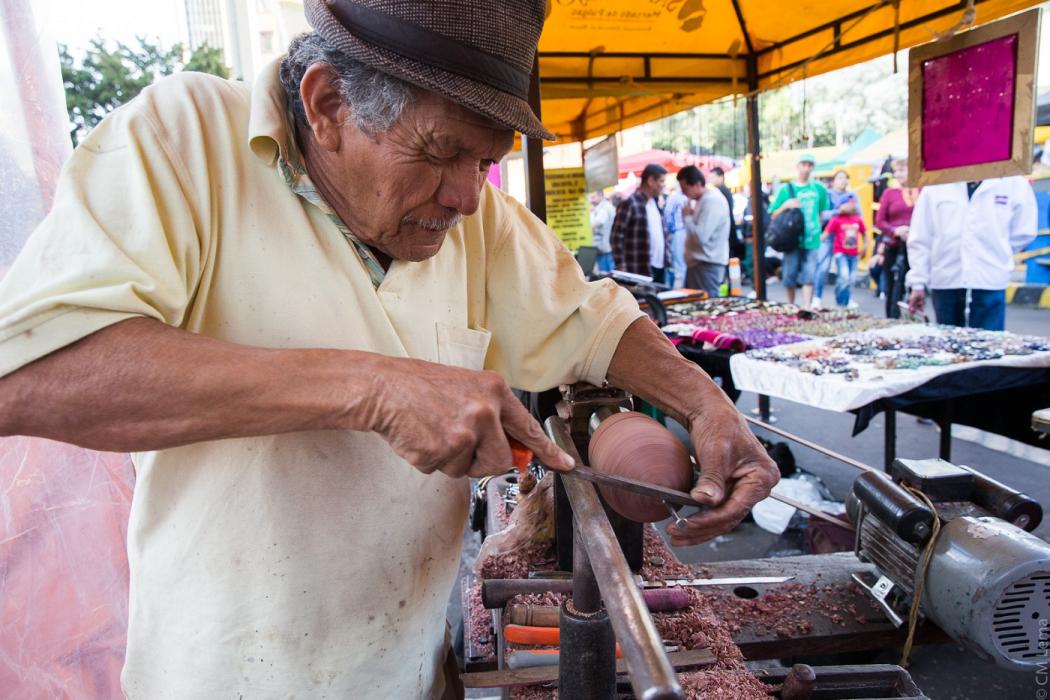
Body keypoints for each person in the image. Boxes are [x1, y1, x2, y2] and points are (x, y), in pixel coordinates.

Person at [0, 2, 777, 696]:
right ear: (329, 105)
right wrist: (373, 388)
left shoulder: (477, 221)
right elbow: (33, 371)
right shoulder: (184, 142)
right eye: (442, 153)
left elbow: (591, 319)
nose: (468, 196)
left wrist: (701, 402)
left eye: (485, 160)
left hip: (412, 670)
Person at [906, 177, 1037, 330]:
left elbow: (1024, 232)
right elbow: (920, 237)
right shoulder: (937, 183)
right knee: (948, 345)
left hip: (990, 278)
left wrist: (997, 251)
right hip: (946, 277)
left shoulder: (1013, 182)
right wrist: (918, 282)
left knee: (990, 345)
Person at [769, 154, 830, 307]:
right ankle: (791, 305)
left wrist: (818, 231)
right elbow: (772, 214)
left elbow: (821, 212)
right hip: (791, 240)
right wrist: (785, 206)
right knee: (789, 275)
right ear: (798, 166)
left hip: (812, 239)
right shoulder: (786, 189)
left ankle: (806, 307)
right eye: (804, 164)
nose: (806, 168)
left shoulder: (819, 189)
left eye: (810, 165)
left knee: (809, 276)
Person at [611, 163, 672, 283]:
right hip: (638, 269)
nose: (663, 185)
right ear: (650, 181)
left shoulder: (654, 203)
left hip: (659, 267)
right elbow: (616, 237)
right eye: (661, 181)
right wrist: (621, 265)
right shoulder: (630, 203)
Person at [876, 159, 918, 318]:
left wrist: (913, 232)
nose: (899, 174)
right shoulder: (890, 193)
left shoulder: (920, 192)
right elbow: (880, 221)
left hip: (915, 246)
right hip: (893, 246)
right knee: (893, 286)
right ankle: (892, 318)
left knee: (913, 285)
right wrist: (895, 231)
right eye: (897, 171)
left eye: (902, 170)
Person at [678, 166, 730, 297]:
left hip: (706, 265)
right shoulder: (703, 200)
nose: (684, 193)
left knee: (706, 307)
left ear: (697, 184)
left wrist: (688, 217)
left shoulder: (712, 200)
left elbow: (701, 236)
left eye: (685, 189)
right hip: (699, 264)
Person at [814, 169, 860, 308]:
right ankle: (817, 297)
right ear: (833, 181)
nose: (843, 181)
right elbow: (821, 215)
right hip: (828, 236)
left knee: (846, 272)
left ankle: (844, 299)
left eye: (845, 178)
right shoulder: (827, 195)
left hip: (846, 238)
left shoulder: (852, 196)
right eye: (840, 178)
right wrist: (838, 212)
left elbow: (859, 215)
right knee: (822, 268)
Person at [822, 200, 866, 307]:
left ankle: (846, 300)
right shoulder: (836, 220)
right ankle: (840, 300)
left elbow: (864, 233)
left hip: (853, 253)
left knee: (851, 278)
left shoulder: (857, 219)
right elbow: (826, 234)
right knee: (844, 276)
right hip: (840, 253)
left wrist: (865, 247)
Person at [709, 166, 741, 259]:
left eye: (712, 177)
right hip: (728, 228)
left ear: (721, 176)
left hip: (725, 230)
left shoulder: (719, 191)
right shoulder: (723, 190)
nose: (711, 180)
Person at [663, 182, 688, 287]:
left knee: (679, 264)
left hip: (678, 232)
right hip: (682, 232)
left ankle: (683, 289)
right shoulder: (683, 198)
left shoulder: (674, 198)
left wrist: (669, 231)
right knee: (682, 264)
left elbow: (667, 215)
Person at [589, 190, 616, 272]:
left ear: (601, 195)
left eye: (593, 197)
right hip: (603, 246)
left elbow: (595, 224)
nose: (591, 200)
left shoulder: (605, 208)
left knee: (606, 274)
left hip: (603, 246)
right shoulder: (601, 207)